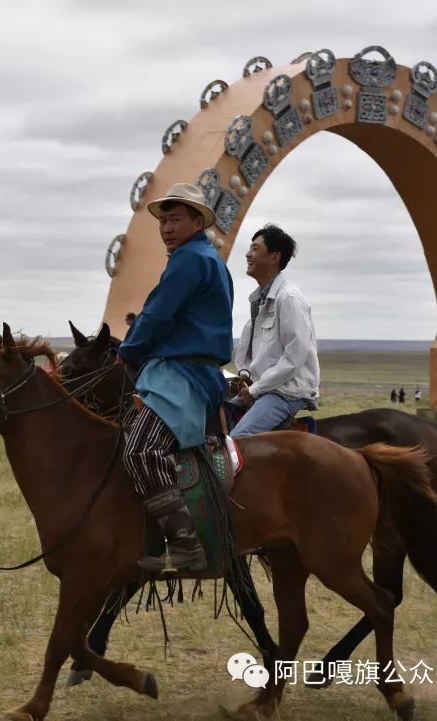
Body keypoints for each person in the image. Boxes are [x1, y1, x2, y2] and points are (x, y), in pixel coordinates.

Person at [118, 182, 233, 575]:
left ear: (197, 221)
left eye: (176, 219)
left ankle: (186, 547)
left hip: (184, 373)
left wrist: (127, 351)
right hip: (180, 369)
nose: (166, 227)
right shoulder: (203, 257)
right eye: (163, 220)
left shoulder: (190, 259)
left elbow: (158, 315)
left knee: (141, 451)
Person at [229, 224, 320, 438]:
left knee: (237, 440)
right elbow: (257, 352)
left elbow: (293, 359)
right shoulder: (260, 299)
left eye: (255, 248)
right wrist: (245, 377)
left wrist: (254, 390)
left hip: (286, 391)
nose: (248, 254)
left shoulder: (288, 298)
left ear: (274, 257)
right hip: (267, 387)